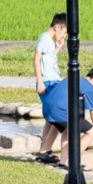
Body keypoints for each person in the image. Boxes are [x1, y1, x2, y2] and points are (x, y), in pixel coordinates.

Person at [41, 67, 93, 169]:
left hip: (47, 109)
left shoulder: (72, 78)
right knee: (91, 131)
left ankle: (58, 159)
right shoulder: (89, 88)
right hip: (60, 113)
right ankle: (72, 161)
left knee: (66, 126)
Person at [34, 13, 67, 160]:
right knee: (56, 115)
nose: (64, 35)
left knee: (50, 117)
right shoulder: (44, 37)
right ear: (57, 27)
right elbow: (37, 58)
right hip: (48, 83)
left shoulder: (49, 41)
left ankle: (44, 149)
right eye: (64, 32)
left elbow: (49, 59)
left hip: (53, 81)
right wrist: (40, 81)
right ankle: (45, 150)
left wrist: (57, 48)